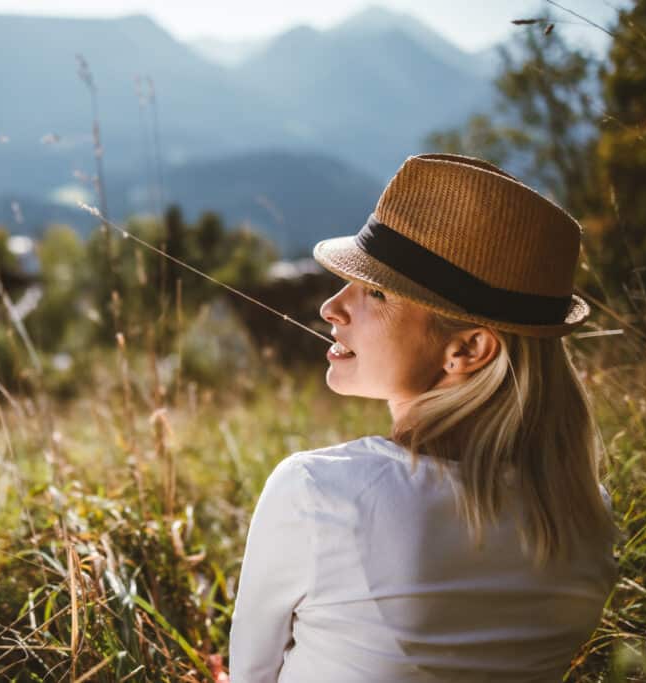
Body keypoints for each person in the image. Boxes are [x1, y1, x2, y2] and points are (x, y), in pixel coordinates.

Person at [227, 153, 619, 682]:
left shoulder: (320, 493)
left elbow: (251, 675)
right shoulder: (588, 517)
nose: (331, 307)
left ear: (468, 349)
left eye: (376, 293)